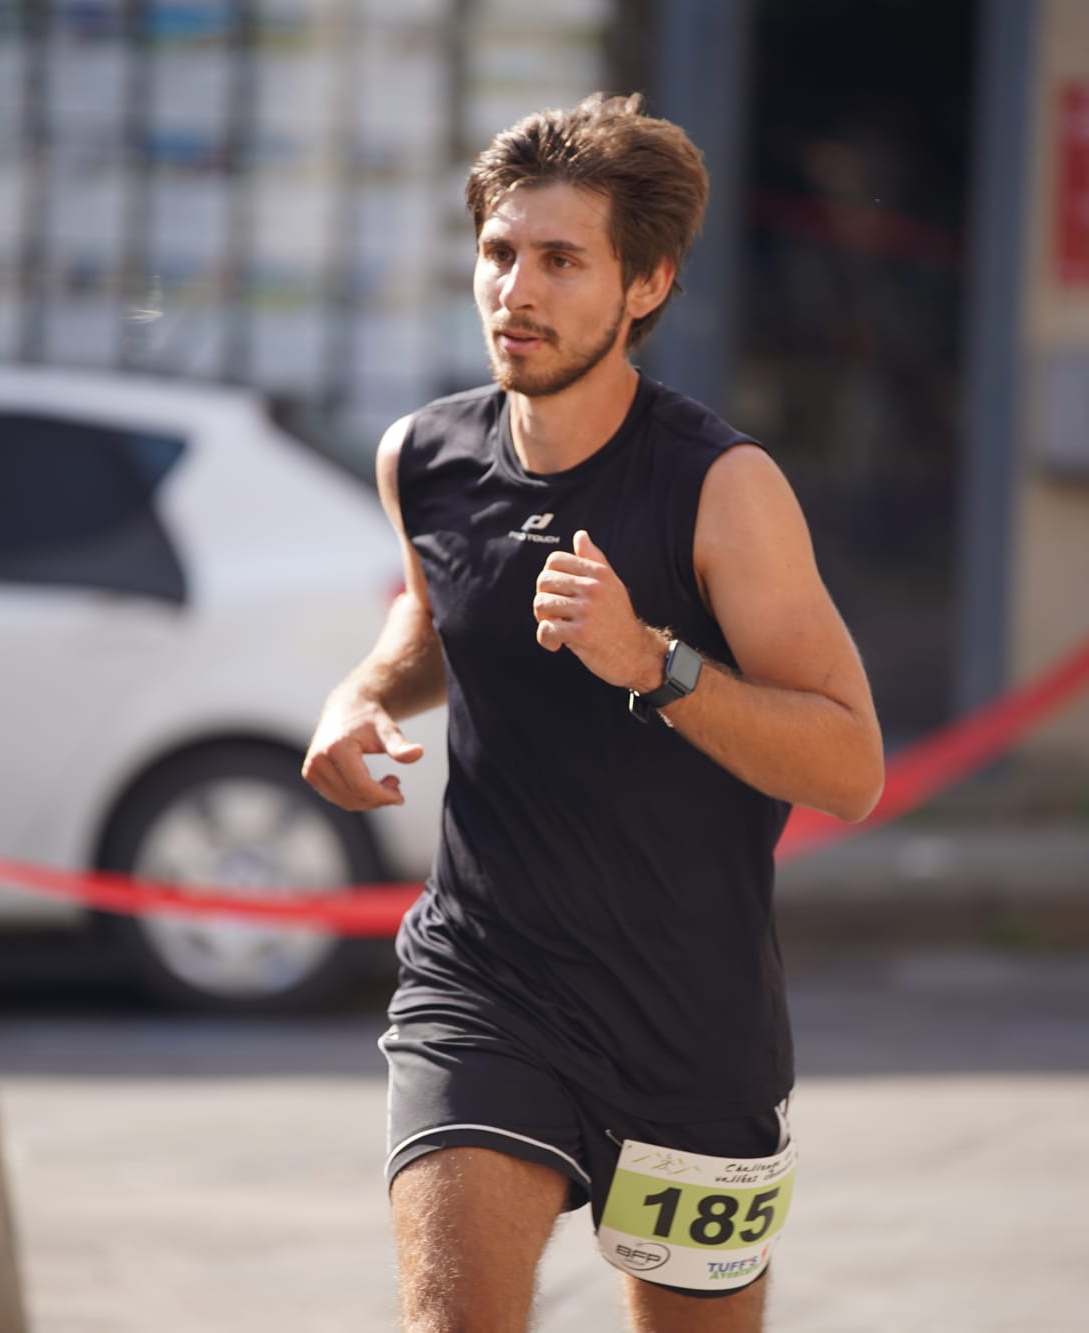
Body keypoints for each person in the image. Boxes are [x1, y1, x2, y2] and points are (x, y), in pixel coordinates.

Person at [302, 91, 884, 1333]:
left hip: (693, 1018)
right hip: (484, 982)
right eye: (500, 251)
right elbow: (434, 616)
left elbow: (848, 765)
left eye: (561, 260)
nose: (516, 287)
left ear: (645, 285)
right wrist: (357, 694)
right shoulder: (424, 457)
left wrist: (650, 660)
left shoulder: (721, 490)